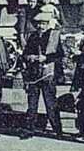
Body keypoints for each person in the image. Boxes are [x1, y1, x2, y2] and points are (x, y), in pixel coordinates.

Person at [20, 9, 64, 139]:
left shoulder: (54, 36)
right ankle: (29, 130)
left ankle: (58, 131)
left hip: (48, 75)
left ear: (47, 24)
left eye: (43, 24)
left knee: (51, 104)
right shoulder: (33, 37)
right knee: (32, 105)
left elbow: (60, 55)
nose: (40, 26)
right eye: (38, 24)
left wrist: (46, 58)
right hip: (33, 75)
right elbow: (24, 55)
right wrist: (30, 57)